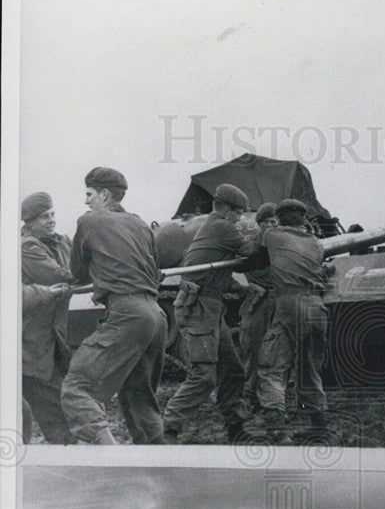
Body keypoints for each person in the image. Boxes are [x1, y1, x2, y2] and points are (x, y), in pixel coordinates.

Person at [60, 167, 167, 444]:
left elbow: (78, 273)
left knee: (77, 388)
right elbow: (154, 270)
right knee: (138, 395)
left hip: (127, 314)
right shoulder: (141, 224)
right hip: (156, 315)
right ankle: (157, 464)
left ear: (105, 194)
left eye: (89, 194)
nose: (86, 201)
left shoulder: (89, 222)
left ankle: (108, 455)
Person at [162, 183, 256, 443]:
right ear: (224, 209)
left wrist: (242, 290)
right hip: (199, 308)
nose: (239, 218)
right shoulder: (220, 226)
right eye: (238, 212)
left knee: (233, 370)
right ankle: (168, 428)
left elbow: (215, 273)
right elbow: (250, 251)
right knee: (204, 376)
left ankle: (235, 426)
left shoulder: (217, 228)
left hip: (210, 308)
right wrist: (271, 237)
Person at [253, 199, 330, 443]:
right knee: (310, 370)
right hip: (317, 307)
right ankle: (319, 427)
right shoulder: (316, 243)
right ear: (303, 217)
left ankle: (276, 430)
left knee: (273, 367)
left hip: (290, 305)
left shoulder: (274, 236)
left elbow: (256, 260)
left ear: (281, 217)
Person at [19, 192, 75, 443]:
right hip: (31, 345)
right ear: (29, 222)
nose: (51, 220)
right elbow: (58, 275)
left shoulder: (61, 242)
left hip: (52, 339)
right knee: (52, 412)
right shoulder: (27, 246)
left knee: (59, 406)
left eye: (52, 214)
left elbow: (79, 267)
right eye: (44, 217)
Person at [238, 202, 278, 415]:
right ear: (259, 224)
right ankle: (249, 397)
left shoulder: (281, 243)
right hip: (258, 301)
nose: (272, 225)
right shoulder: (252, 245)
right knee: (253, 351)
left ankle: (268, 399)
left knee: (275, 354)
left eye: (274, 221)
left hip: (278, 302)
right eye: (267, 222)